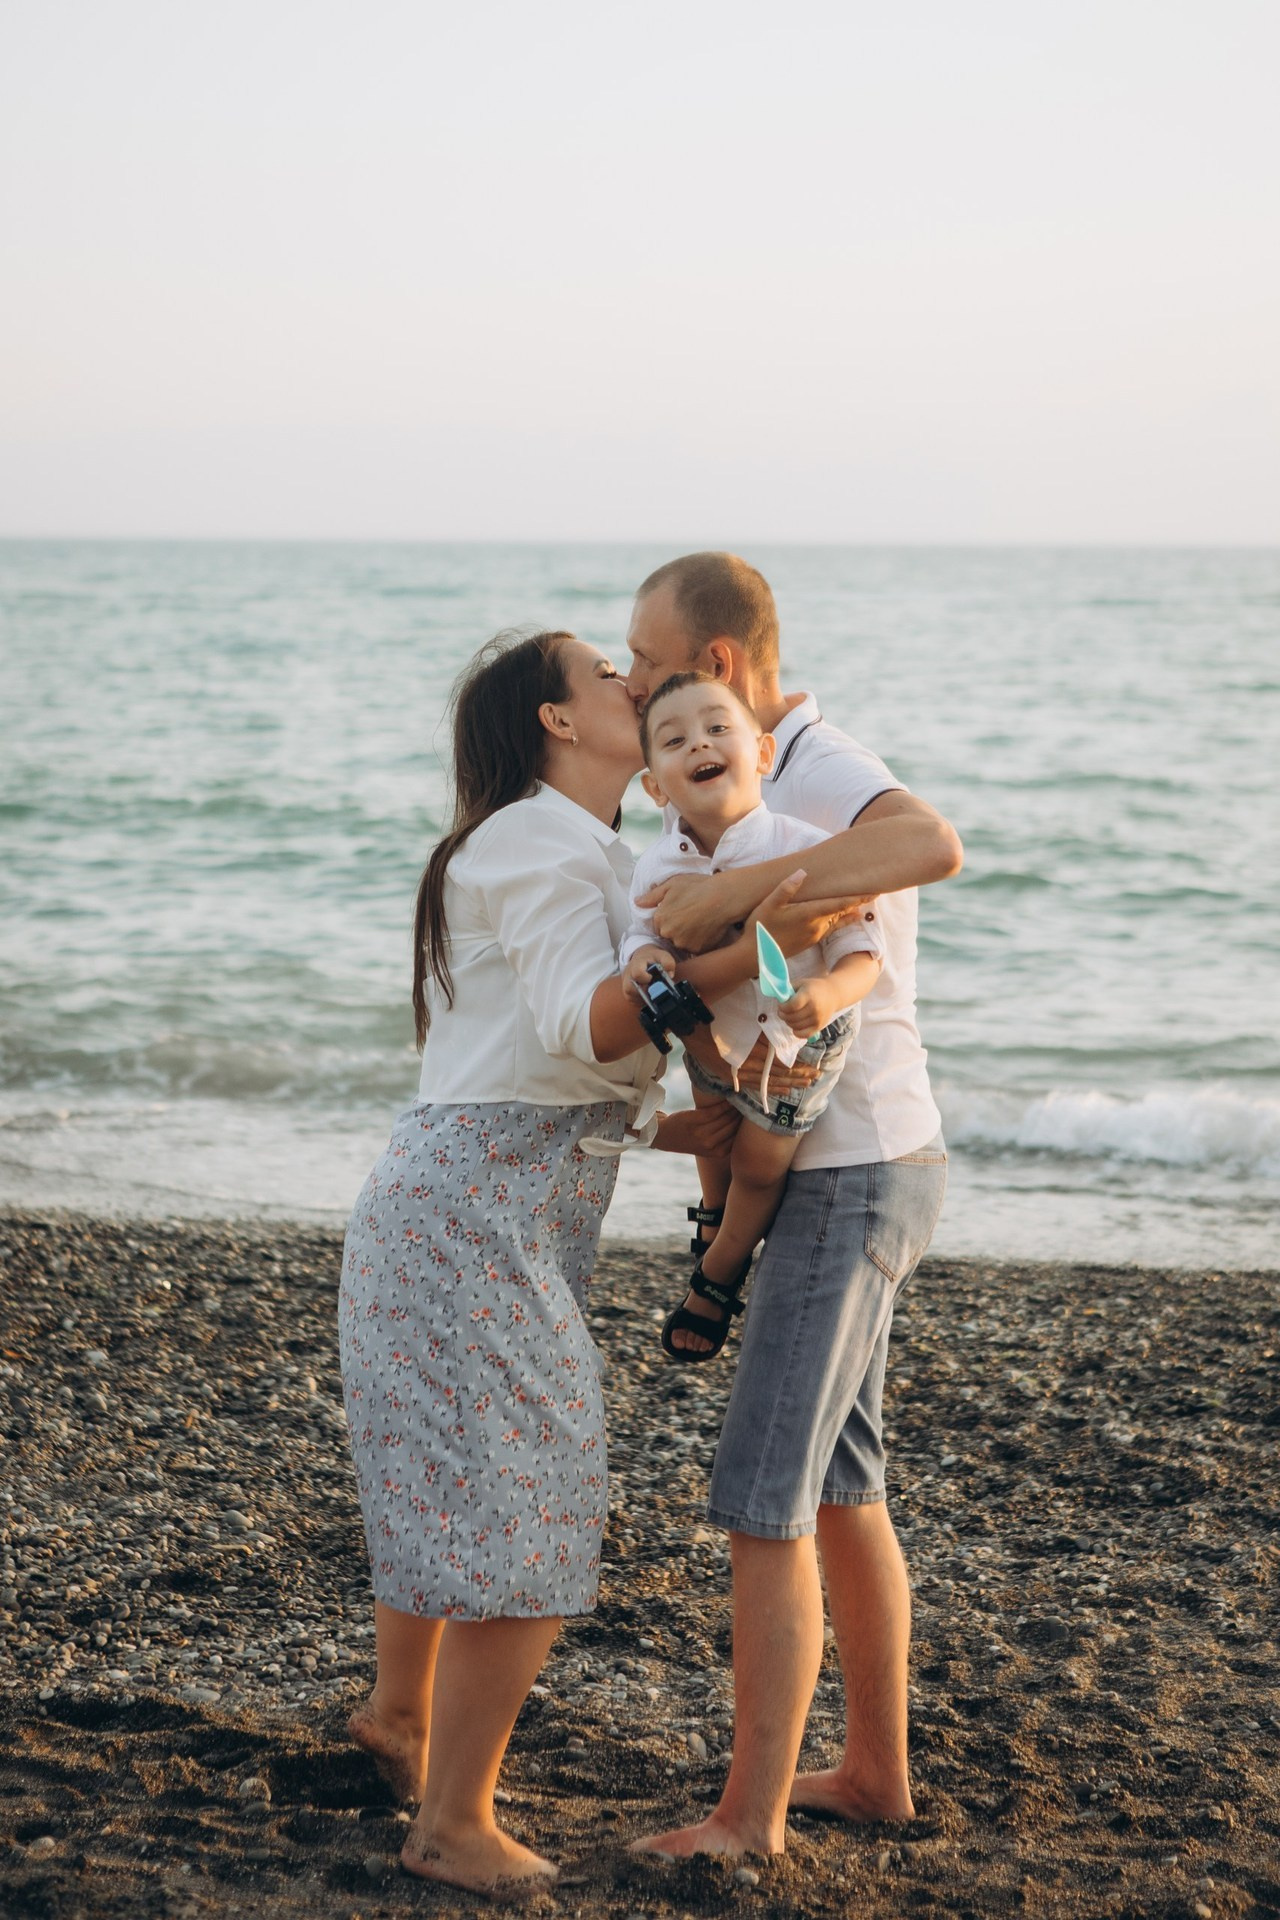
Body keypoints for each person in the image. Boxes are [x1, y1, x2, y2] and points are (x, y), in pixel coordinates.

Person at [337, 627, 848, 1894]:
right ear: (560, 722)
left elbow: (536, 1055)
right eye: (606, 676)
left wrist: (670, 1122)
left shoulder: (577, 849)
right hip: (476, 1212)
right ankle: (452, 1823)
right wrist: (763, 941)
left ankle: (400, 1722)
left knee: (472, 1480)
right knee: (534, 1502)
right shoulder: (533, 839)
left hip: (484, 1192)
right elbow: (589, 1019)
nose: (635, 685)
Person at [621, 554, 962, 1859]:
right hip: (850, 1160)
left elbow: (931, 848)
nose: (629, 675)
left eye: (644, 658)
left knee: (764, 1489)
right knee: (840, 1483)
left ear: (714, 668)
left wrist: (725, 895)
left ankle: (745, 1821)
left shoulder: (809, 766)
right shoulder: (716, 785)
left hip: (852, 1165)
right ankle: (873, 1772)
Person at [620, 670, 885, 1360]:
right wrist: (644, 964)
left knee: (759, 1165)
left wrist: (826, 996)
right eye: (675, 740)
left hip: (797, 1044)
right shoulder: (656, 869)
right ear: (655, 786)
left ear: (763, 754)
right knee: (713, 1135)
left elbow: (863, 946)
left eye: (717, 728)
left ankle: (718, 1271)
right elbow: (641, 943)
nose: (699, 743)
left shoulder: (802, 847)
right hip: (707, 1028)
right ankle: (712, 1213)